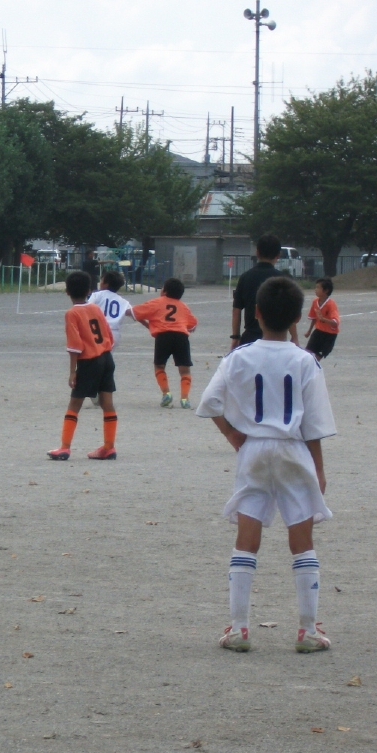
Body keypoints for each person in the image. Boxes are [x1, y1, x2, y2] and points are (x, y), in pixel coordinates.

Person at [196, 276, 336, 654]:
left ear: (255, 313)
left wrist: (232, 434)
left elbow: (209, 402)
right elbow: (314, 423)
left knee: (247, 533)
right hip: (293, 449)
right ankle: (308, 629)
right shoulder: (305, 360)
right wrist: (319, 468)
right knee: (302, 537)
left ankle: (239, 627)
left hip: (253, 450)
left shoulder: (238, 357)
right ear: (297, 318)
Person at [47, 271, 118, 462]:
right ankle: (109, 447)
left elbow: (75, 345)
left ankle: (64, 448)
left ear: (67, 291)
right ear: (89, 291)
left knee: (75, 403)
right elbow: (109, 335)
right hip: (106, 358)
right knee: (107, 403)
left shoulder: (72, 313)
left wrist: (73, 371)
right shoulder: (95, 309)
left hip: (89, 361)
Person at [131, 277, 199, 408]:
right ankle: (185, 399)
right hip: (181, 337)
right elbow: (193, 325)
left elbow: (134, 312)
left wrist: (148, 324)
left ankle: (166, 393)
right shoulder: (183, 306)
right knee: (184, 370)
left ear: (165, 291)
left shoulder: (157, 302)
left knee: (159, 366)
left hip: (163, 336)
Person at [231, 234, 297, 349]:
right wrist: (294, 336)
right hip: (277, 338)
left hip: (250, 337)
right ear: (278, 255)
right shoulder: (284, 279)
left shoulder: (245, 277)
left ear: (257, 252)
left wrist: (236, 336)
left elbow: (236, 310)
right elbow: (288, 311)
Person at [87, 270, 133, 349]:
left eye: (101, 281)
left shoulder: (97, 295)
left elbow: (87, 308)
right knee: (107, 354)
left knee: (95, 354)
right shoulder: (123, 301)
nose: (100, 283)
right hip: (114, 333)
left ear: (106, 284)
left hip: (98, 331)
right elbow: (134, 314)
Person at [303, 277, 340, 361]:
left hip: (329, 335)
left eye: (318, 287)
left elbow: (335, 323)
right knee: (308, 354)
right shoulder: (315, 301)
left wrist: (323, 319)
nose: (315, 290)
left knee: (317, 357)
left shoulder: (331, 304)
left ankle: (315, 368)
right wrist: (309, 331)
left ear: (326, 290)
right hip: (318, 331)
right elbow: (314, 318)